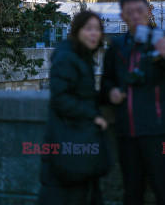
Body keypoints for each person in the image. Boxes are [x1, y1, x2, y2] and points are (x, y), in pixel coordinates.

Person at [100, 0, 165, 205]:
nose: (136, 16)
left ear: (149, 12)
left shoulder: (163, 38)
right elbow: (105, 85)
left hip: (159, 130)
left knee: (164, 189)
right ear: (122, 16)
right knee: (131, 192)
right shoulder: (116, 47)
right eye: (130, 13)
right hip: (127, 131)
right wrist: (111, 92)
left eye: (140, 11)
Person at [38, 11, 108, 205]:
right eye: (89, 29)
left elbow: (80, 94)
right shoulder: (68, 57)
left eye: (98, 29)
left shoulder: (79, 56)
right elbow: (60, 99)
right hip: (68, 142)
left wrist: (108, 96)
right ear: (76, 31)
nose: (94, 34)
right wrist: (93, 117)